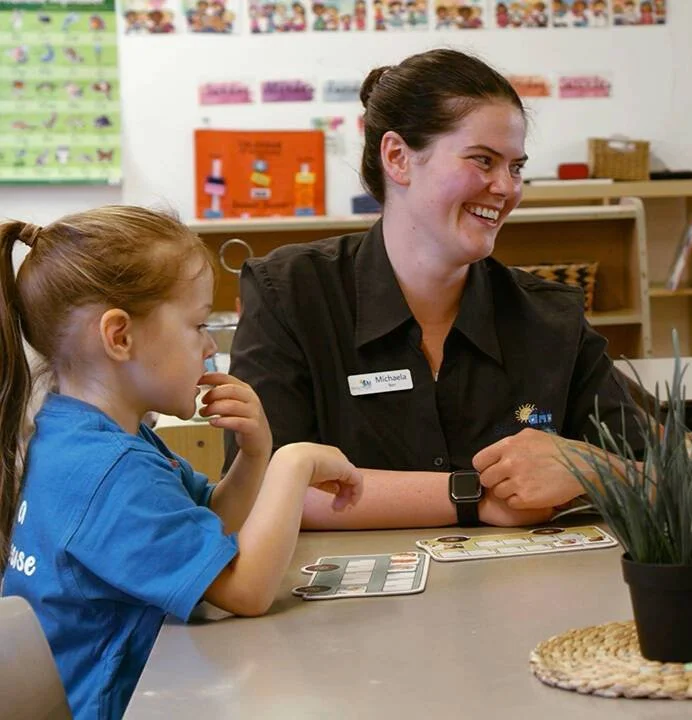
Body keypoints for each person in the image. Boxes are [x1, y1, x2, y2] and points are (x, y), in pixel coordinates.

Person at [225, 48, 645, 530]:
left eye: (516, 167)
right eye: (483, 160)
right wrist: (473, 497)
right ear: (398, 158)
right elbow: (261, 488)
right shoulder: (292, 294)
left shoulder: (548, 318)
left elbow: (662, 474)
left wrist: (591, 467)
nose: (506, 188)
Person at [0, 206, 362, 718]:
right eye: (198, 325)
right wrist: (292, 463)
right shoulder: (108, 472)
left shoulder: (84, 438)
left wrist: (255, 456)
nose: (211, 345)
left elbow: (210, 524)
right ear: (119, 337)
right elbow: (246, 589)